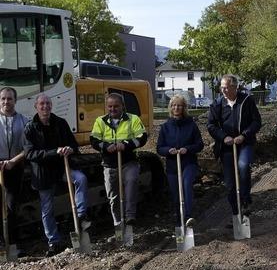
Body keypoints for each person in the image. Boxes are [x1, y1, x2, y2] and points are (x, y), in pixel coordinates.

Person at [23, 93, 91, 257]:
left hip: (62, 168)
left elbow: (73, 145)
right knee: (47, 208)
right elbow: (30, 154)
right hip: (43, 172)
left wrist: (69, 149)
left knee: (81, 178)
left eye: (48, 103)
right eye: (42, 104)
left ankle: (81, 215)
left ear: (51, 106)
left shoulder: (60, 123)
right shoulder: (30, 128)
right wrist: (55, 152)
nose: (45, 106)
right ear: (36, 107)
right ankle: (53, 241)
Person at [207, 74, 262, 217]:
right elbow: (211, 125)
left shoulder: (246, 101)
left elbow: (256, 122)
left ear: (234, 87)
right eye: (222, 87)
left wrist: (244, 135)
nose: (223, 90)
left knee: (243, 166)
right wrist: (223, 137)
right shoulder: (217, 104)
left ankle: (245, 201)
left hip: (245, 143)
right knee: (230, 183)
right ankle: (236, 212)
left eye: (226, 87)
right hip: (226, 146)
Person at [90, 93, 147, 228]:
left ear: (122, 106)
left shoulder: (132, 119)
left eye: (116, 106)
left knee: (131, 182)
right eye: (110, 106)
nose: (113, 109)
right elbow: (94, 140)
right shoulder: (100, 121)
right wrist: (105, 146)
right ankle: (117, 221)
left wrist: (126, 145)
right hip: (110, 163)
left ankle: (130, 216)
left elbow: (142, 137)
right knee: (113, 195)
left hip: (128, 161)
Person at [157, 95, 204, 228]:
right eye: (174, 105)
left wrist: (187, 149)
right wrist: (168, 150)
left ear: (184, 108)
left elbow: (200, 144)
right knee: (176, 194)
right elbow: (159, 148)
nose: (176, 108)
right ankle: (179, 222)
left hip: (188, 163)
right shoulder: (165, 127)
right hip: (172, 166)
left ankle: (188, 216)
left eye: (179, 105)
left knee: (187, 184)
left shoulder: (191, 125)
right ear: (170, 108)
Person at [0, 87, 28, 250]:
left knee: (11, 205)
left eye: (9, 99)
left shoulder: (24, 121)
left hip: (15, 167)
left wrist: (13, 161)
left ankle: (12, 242)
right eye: (3, 98)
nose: (6, 102)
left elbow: (28, 147)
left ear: (15, 101)